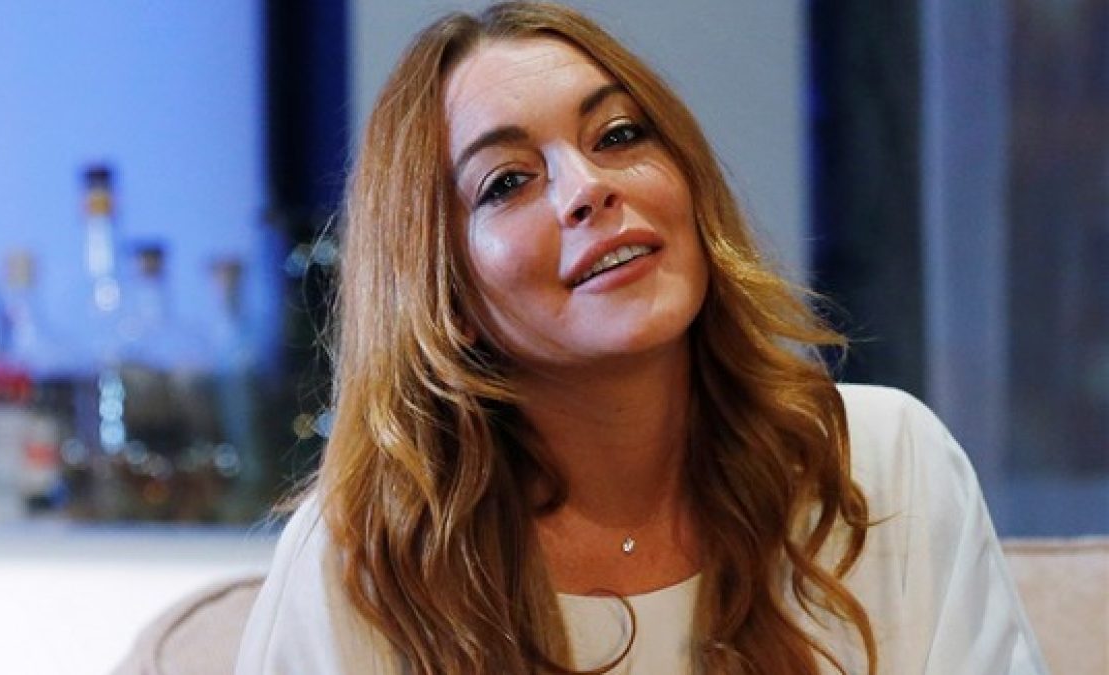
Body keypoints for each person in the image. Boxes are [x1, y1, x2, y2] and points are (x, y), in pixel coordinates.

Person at [236, 3, 1048, 674]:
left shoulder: (889, 462)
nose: (588, 187)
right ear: (445, 295)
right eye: (508, 182)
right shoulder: (361, 559)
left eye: (618, 135)